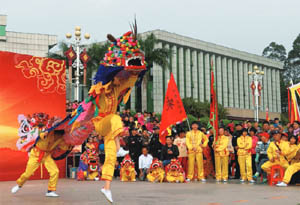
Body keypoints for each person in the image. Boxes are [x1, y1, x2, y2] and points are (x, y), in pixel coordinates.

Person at [11, 130, 66, 197]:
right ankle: (19, 184)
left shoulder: (62, 137)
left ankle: (50, 191)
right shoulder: (48, 132)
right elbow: (41, 135)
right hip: (36, 154)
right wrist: (44, 133)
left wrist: (71, 145)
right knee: (28, 174)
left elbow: (64, 146)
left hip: (47, 155)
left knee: (55, 171)